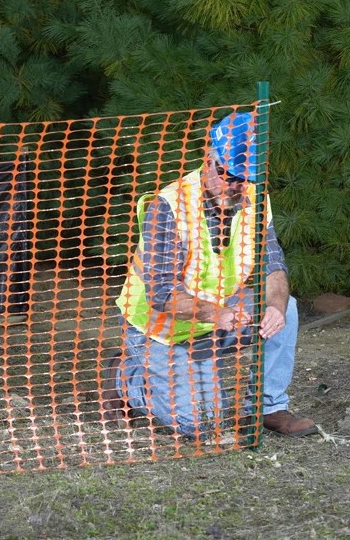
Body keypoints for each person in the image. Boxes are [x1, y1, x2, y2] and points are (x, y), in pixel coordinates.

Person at [102, 111, 318, 439]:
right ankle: (125, 375)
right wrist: (218, 313)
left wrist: (274, 305)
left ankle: (269, 407)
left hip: (215, 318)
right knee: (199, 423)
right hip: (160, 330)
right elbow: (162, 295)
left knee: (286, 307)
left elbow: (274, 265)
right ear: (208, 160)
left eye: (243, 178)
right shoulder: (169, 206)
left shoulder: (255, 198)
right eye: (226, 174)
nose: (234, 186)